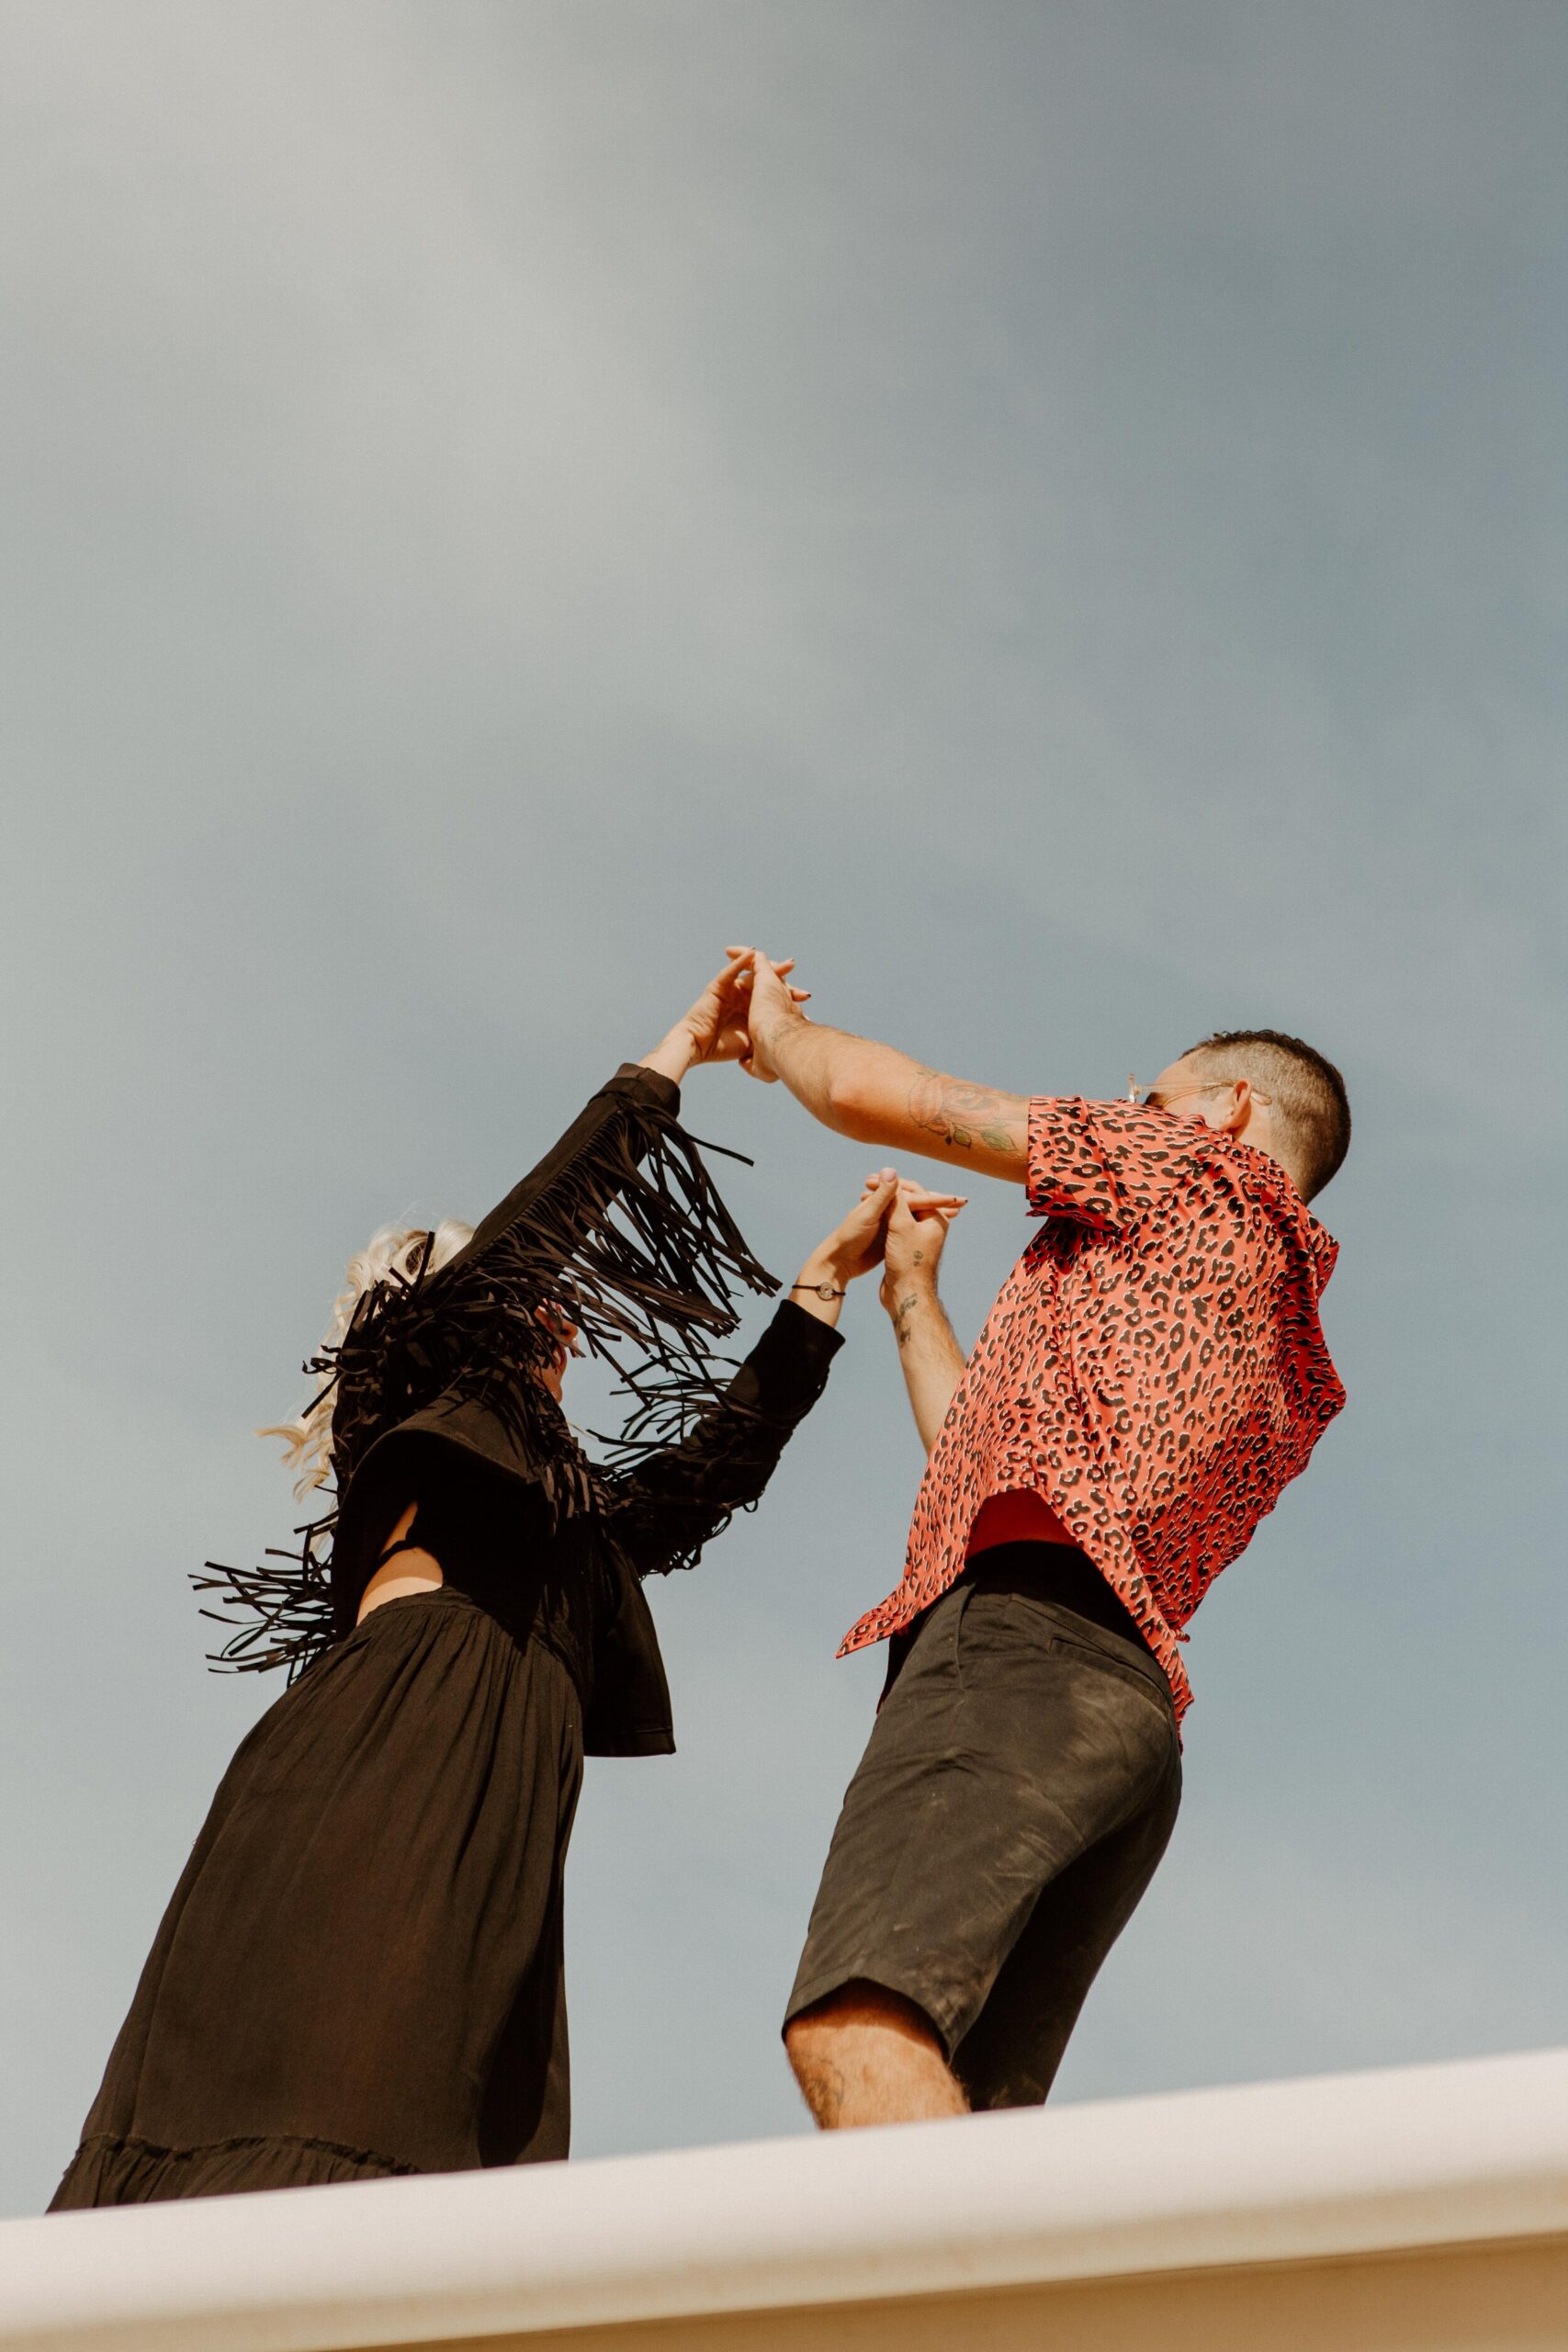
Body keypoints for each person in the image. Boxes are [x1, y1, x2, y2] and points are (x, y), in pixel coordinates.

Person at [51, 958, 938, 2208]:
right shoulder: (420, 1370)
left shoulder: (546, 1504)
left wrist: (825, 1289)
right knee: (337, 2096)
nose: (564, 1330)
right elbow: (553, 1218)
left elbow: (702, 1480)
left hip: (503, 1792)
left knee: (448, 2154)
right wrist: (680, 1046)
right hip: (400, 1739)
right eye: (541, 1313)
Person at [726, 948, 1349, 2130]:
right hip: (1124, 1714)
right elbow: (988, 1458)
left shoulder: (1183, 1166)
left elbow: (873, 1095)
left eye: (1148, 1097)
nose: (1125, 1113)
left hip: (1014, 1656)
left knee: (859, 2021)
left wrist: (770, 1027)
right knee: (983, 2125)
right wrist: (916, 1298)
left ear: (1230, 1113)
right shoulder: (1281, 1336)